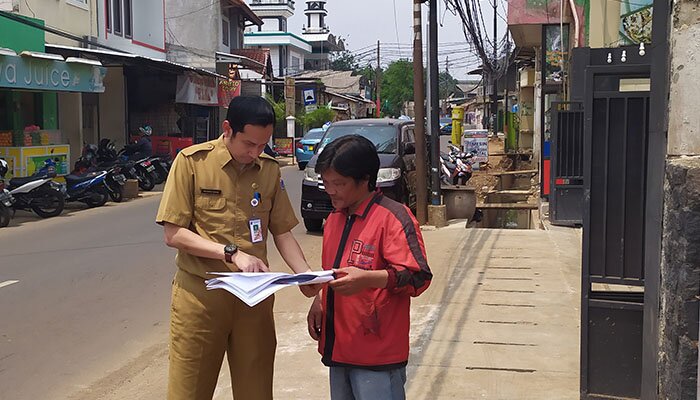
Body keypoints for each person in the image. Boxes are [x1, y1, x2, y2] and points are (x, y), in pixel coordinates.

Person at [156, 96, 320, 400]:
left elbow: (282, 232)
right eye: (249, 144)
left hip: (254, 300)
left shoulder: (269, 170)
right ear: (228, 128)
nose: (255, 152)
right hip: (202, 298)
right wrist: (230, 253)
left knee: (256, 390)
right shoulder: (192, 163)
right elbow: (174, 233)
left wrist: (305, 276)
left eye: (262, 145)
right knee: (188, 391)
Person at [306, 135, 433, 400]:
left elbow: (418, 277)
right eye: (326, 183)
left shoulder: (393, 217)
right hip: (338, 348)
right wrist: (320, 299)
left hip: (377, 355)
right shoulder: (333, 220)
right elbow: (333, 272)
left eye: (338, 184)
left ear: (364, 180)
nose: (330, 191)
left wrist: (370, 279)